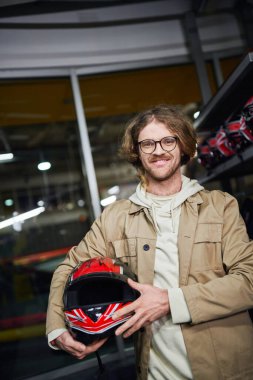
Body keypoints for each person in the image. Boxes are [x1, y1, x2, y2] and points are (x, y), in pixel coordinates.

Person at [46, 104, 253, 380]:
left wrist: (171, 301)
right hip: (155, 371)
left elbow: (248, 280)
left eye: (169, 140)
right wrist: (57, 328)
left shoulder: (220, 206)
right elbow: (68, 268)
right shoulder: (115, 217)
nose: (158, 150)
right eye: (147, 143)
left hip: (227, 368)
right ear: (137, 152)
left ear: (184, 147)